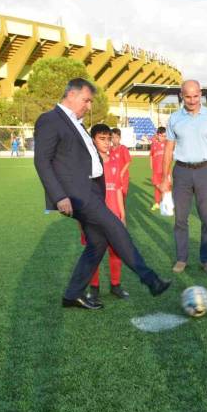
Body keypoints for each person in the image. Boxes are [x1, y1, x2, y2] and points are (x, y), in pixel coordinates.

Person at [33, 78, 171, 310]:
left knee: (97, 243)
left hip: (92, 192)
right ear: (72, 95)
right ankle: (151, 279)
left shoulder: (74, 122)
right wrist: (59, 196)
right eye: (86, 100)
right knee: (115, 228)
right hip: (77, 194)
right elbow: (42, 161)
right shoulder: (50, 119)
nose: (88, 106)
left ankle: (72, 295)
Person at [159, 79, 207, 274]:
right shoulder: (174, 118)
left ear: (201, 94)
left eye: (196, 95)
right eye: (188, 96)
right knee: (180, 219)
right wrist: (165, 177)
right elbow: (168, 149)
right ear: (181, 95)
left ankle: (206, 259)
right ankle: (181, 259)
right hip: (182, 172)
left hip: (205, 171)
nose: (192, 100)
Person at [78, 123, 130, 303]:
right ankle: (94, 288)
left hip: (114, 215)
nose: (107, 142)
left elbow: (117, 190)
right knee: (94, 253)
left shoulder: (115, 161)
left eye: (109, 139)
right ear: (92, 140)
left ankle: (116, 285)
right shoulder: (87, 166)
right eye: (102, 139)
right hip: (93, 217)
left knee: (116, 251)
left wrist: (122, 215)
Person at [110, 128, 131, 204]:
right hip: (113, 178)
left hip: (123, 178)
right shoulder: (109, 149)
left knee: (122, 196)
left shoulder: (123, 148)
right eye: (112, 137)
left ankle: (122, 214)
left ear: (120, 138)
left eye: (116, 137)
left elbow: (128, 161)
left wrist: (121, 173)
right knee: (113, 197)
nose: (114, 139)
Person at [150, 127, 167, 211]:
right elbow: (151, 155)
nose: (162, 138)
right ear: (158, 135)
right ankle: (157, 203)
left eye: (164, 136)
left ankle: (165, 203)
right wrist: (151, 166)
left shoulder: (167, 144)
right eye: (161, 136)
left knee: (165, 187)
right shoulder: (154, 144)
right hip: (156, 170)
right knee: (156, 187)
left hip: (165, 170)